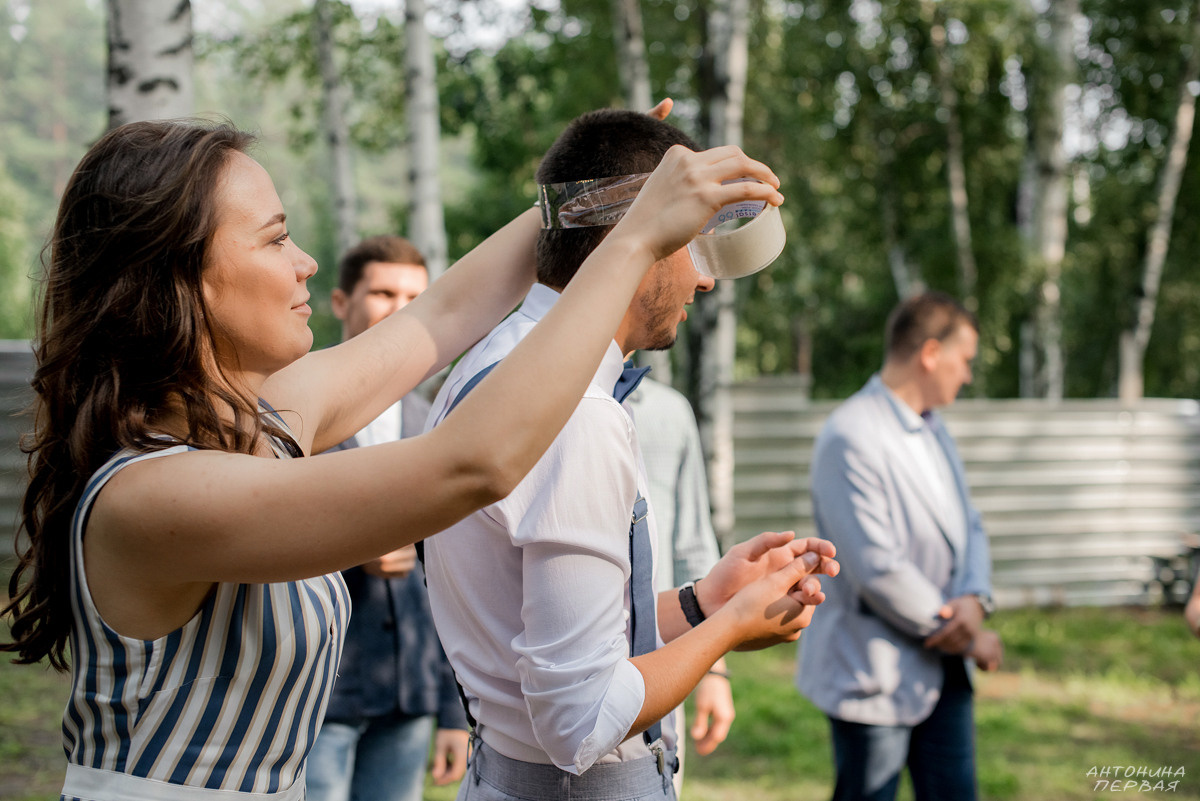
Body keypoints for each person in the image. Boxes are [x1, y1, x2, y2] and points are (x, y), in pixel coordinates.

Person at [0, 108, 797, 801]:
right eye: (277, 238)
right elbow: (471, 462)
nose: (308, 262)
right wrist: (634, 237)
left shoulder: (262, 427)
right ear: (183, 278)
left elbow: (443, 313)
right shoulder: (152, 495)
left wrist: (601, 195)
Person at [422, 107, 840, 801]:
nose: (704, 281)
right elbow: (581, 723)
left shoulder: (484, 366)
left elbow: (545, 634)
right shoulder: (576, 414)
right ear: (636, 238)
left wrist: (704, 601)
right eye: (693, 243)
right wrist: (734, 629)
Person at [795, 290, 1003, 801]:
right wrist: (968, 637)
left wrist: (976, 599)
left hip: (944, 676)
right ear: (931, 354)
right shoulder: (851, 433)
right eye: (965, 360)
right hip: (875, 676)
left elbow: (969, 523)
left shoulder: (935, 428)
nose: (969, 374)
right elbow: (877, 569)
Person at [304, 235, 468, 801]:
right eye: (383, 292)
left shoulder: (439, 423)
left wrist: (453, 709)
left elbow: (456, 580)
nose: (401, 309)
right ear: (341, 302)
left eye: (415, 296)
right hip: (316, 695)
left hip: (410, 695)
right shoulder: (295, 418)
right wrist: (351, 548)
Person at [626, 377, 734, 786]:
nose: (688, 306)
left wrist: (713, 671)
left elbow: (692, 549)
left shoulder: (670, 411)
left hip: (664, 671)